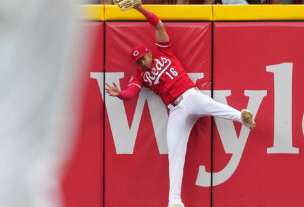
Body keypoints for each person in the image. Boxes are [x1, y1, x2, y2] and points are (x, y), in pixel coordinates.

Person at [105, 3, 256, 207]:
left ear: (149, 53)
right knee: (175, 152)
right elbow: (131, 93)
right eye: (138, 62)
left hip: (190, 95)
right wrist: (119, 94)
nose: (142, 63)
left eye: (143, 58)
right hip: (175, 110)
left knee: (213, 105)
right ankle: (174, 201)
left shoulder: (162, 51)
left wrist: (140, 8)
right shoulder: (140, 75)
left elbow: (158, 25)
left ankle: (242, 117)